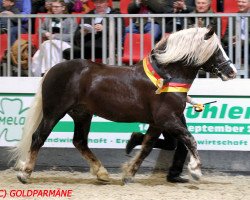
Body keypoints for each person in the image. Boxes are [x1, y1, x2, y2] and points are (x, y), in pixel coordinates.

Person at [126, 96, 204, 183]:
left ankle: (139, 139)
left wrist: (194, 103)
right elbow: (177, 91)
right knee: (183, 143)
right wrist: (194, 102)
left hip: (167, 112)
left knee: (171, 144)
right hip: (171, 113)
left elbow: (178, 91)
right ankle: (174, 175)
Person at [31, 0, 78, 76]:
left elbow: (72, 35)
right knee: (47, 46)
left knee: (48, 44)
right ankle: (47, 71)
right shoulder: (48, 18)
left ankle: (48, 71)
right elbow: (39, 29)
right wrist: (45, 33)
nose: (54, 9)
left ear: (63, 8)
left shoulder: (70, 19)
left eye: (56, 7)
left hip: (65, 44)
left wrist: (55, 36)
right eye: (53, 6)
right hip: (49, 43)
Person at [222, 0, 250, 77]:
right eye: (239, 1)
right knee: (222, 57)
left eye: (243, 2)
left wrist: (242, 41)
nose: (240, 4)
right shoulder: (233, 16)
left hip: (248, 46)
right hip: (234, 47)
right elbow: (225, 38)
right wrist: (231, 39)